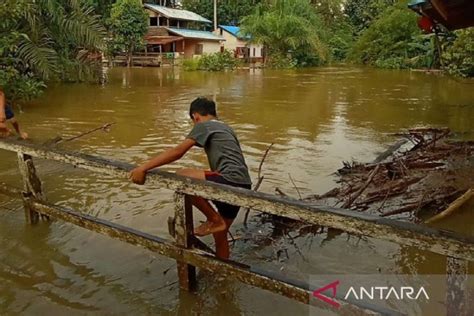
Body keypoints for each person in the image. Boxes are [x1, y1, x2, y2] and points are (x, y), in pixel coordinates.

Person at [130, 97, 252, 259]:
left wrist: (143, 167)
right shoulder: (226, 128)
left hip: (229, 179)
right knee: (220, 235)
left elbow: (177, 152)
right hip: (244, 183)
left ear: (195, 117)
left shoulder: (203, 125)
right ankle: (223, 273)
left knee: (182, 176)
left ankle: (214, 219)